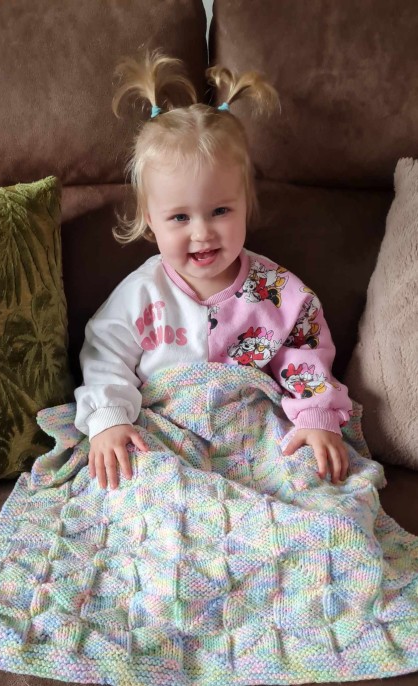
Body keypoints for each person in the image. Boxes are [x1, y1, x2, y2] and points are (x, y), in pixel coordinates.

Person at [74, 52, 352, 491]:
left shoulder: (278, 292)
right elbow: (106, 354)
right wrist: (108, 419)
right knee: (135, 481)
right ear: (150, 219)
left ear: (246, 204)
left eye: (220, 210)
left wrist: (317, 416)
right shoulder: (144, 292)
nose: (202, 233)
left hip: (253, 431)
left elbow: (305, 352)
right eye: (180, 218)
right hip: (167, 430)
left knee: (310, 477)